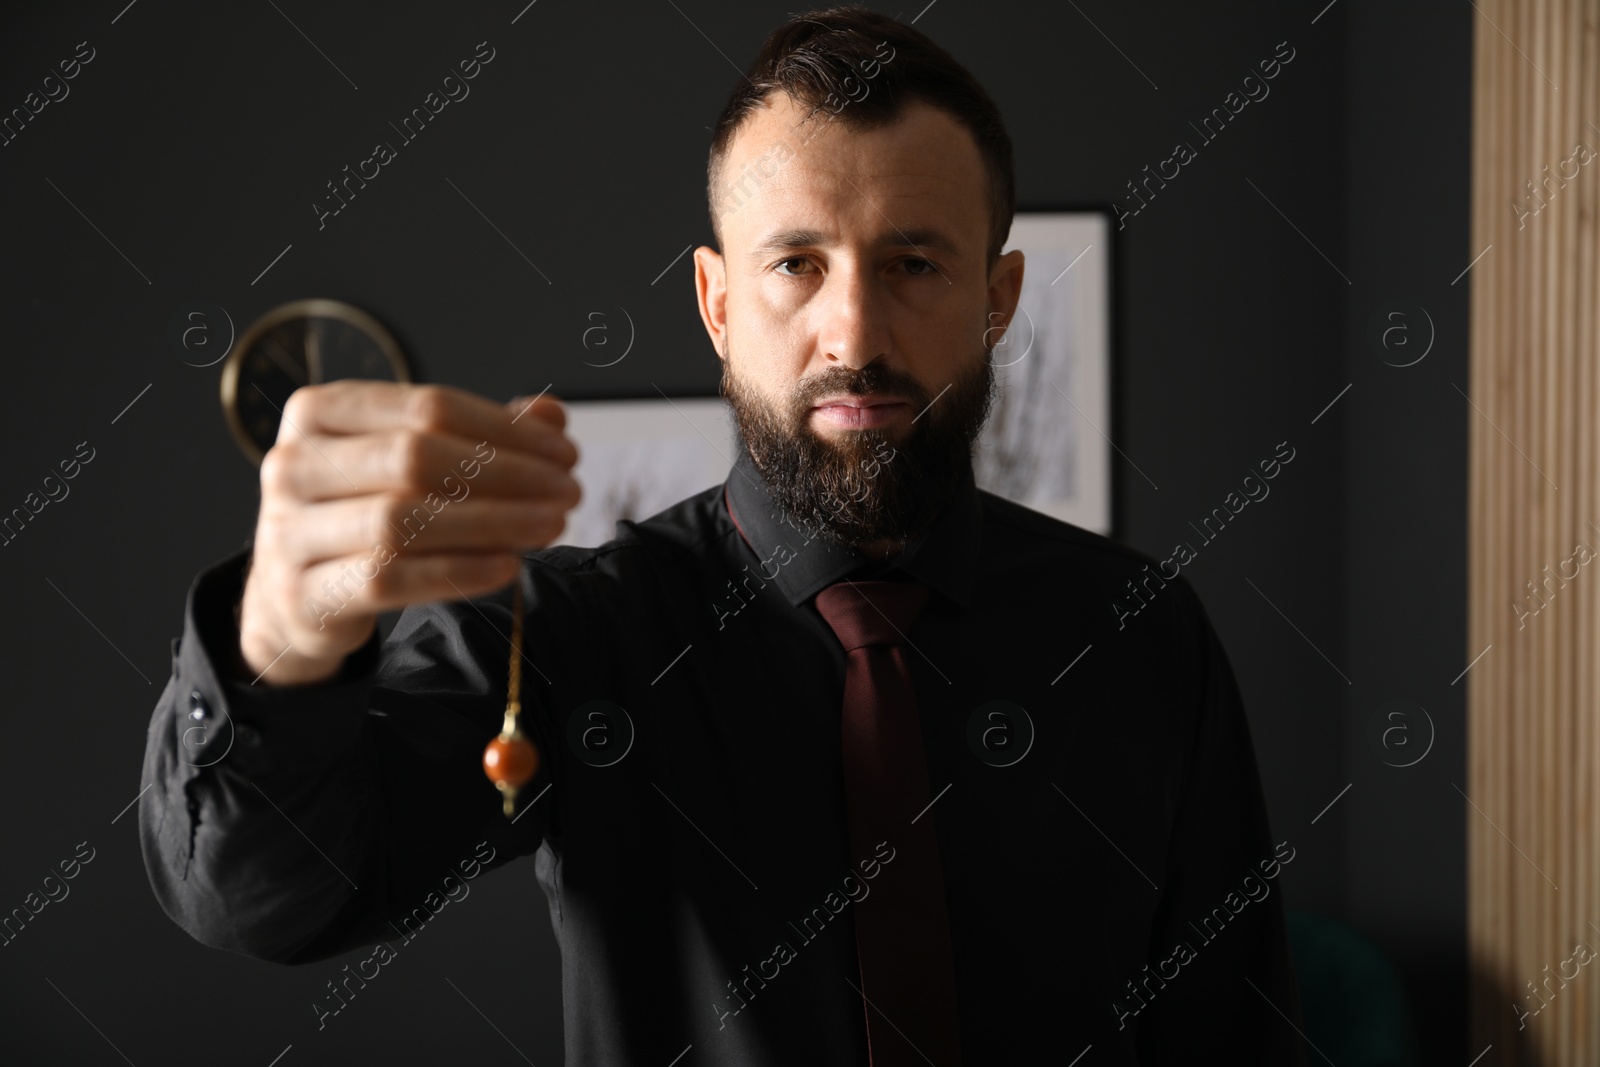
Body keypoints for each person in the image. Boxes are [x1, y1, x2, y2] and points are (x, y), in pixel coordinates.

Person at [138, 5, 1307, 1064]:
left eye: (913, 262)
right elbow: (263, 901)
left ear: (996, 299)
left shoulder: (1143, 635)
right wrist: (283, 640)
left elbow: (1232, 1034)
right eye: (796, 263)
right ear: (716, 303)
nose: (852, 327)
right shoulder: (565, 639)